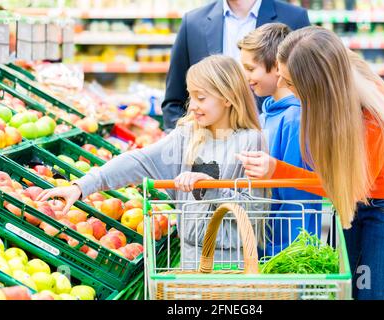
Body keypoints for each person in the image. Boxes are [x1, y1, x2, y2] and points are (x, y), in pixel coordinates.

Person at [237, 26, 384, 300]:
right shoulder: (337, 76)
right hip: (358, 201)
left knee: (373, 295)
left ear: (315, 84)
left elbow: (345, 187)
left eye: (290, 83)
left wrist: (277, 170)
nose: (282, 86)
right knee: (349, 291)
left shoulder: (370, 118)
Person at [37, 55, 266, 267]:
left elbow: (257, 209)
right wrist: (81, 187)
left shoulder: (250, 141)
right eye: (191, 95)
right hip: (190, 260)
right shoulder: (187, 135)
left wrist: (210, 187)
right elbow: (139, 161)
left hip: (233, 262)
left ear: (227, 98)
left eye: (201, 98)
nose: (192, 105)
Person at [237, 23, 321, 257]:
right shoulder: (268, 113)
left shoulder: (294, 117)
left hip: (289, 248)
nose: (246, 77)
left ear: (277, 66)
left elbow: (298, 194)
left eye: (251, 68)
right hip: (267, 240)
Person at [162, 0, 311, 130]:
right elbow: (174, 99)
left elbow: (310, 88)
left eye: (251, 69)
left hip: (269, 147)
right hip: (210, 146)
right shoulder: (193, 22)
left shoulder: (294, 18)